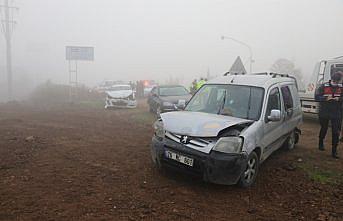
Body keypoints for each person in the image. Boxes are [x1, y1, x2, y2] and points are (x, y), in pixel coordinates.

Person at [315, 72, 343, 159]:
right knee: (324, 128)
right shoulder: (323, 86)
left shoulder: (341, 87)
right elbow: (316, 97)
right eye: (335, 82)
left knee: (335, 131)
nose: (337, 83)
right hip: (324, 111)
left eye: (338, 82)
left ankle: (334, 151)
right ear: (332, 79)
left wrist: (339, 99)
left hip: (336, 112)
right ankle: (321, 142)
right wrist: (325, 98)